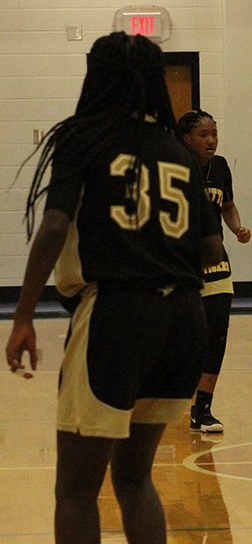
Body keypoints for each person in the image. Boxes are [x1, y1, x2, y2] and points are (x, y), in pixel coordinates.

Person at [5, 32, 223, 542]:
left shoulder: (84, 136)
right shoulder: (177, 150)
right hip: (185, 318)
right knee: (134, 479)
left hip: (119, 314)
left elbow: (56, 226)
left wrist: (22, 316)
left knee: (76, 490)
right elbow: (212, 251)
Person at [178, 110, 252, 433]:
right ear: (186, 139)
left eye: (214, 134)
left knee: (218, 332)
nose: (211, 140)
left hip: (215, 259)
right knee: (180, 335)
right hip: (180, 262)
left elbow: (227, 206)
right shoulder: (175, 169)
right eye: (203, 135)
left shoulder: (220, 167)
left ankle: (203, 408)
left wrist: (236, 228)